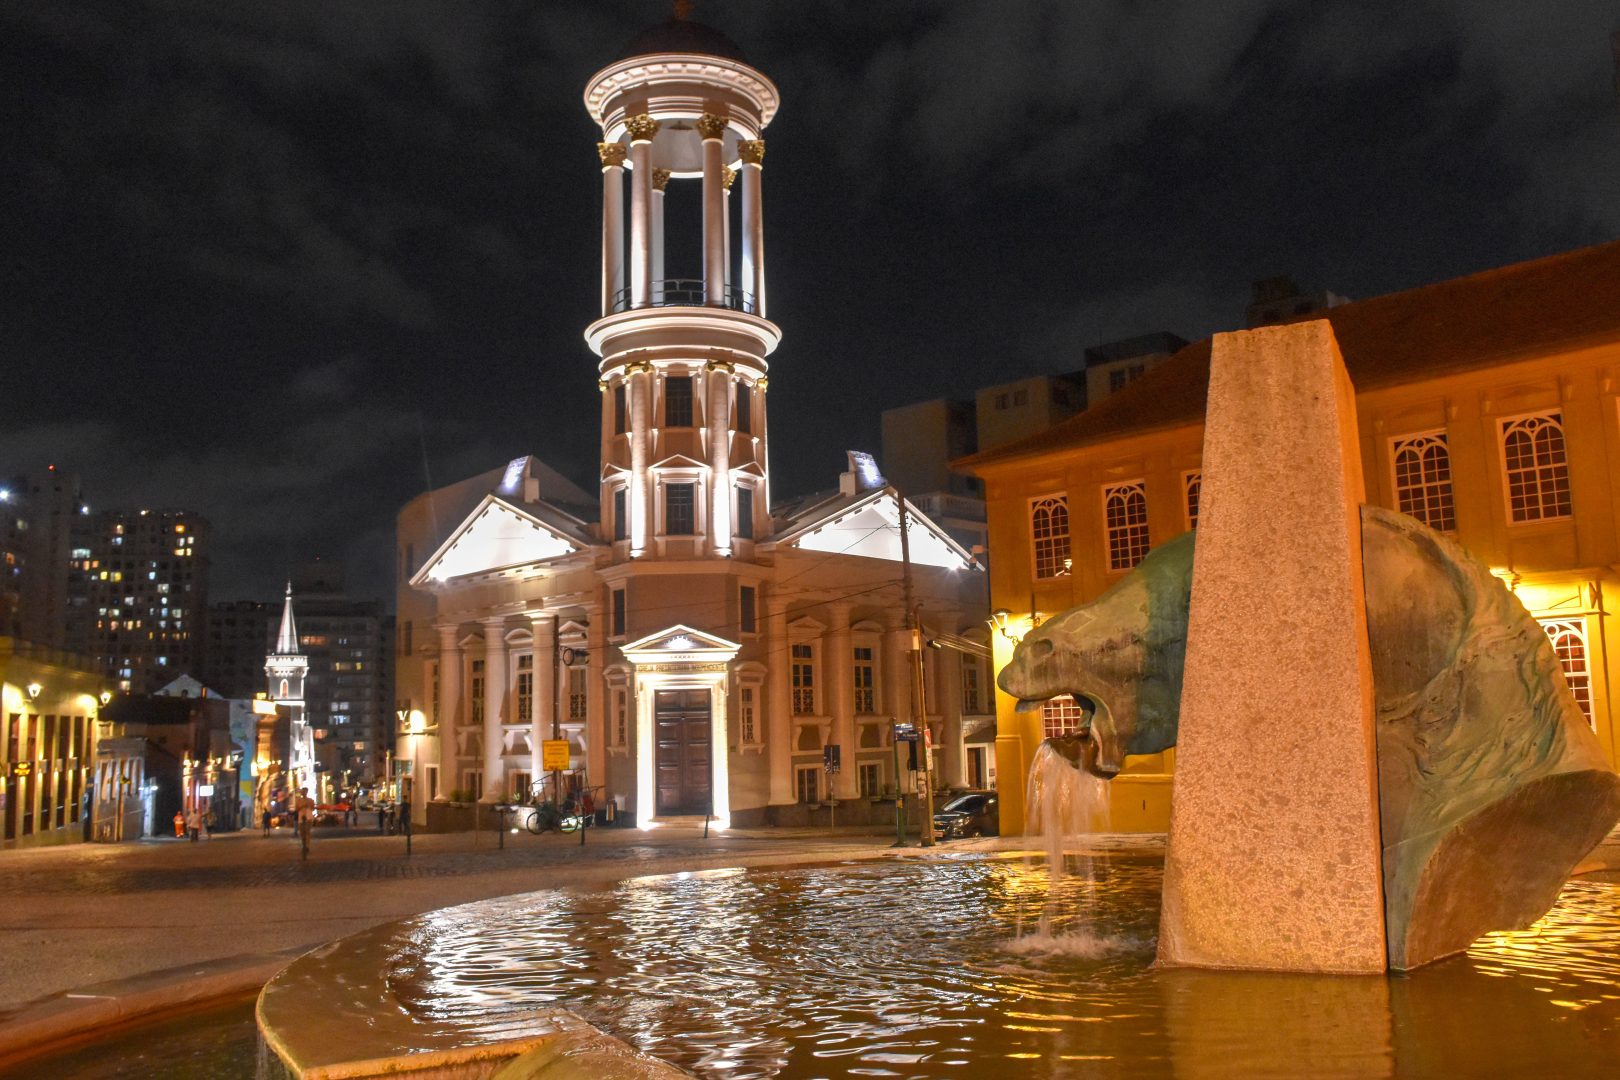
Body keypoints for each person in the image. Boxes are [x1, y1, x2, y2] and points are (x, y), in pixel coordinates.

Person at [294, 787, 316, 860]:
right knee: (302, 833)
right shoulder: (298, 800)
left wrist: (309, 806)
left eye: (304, 792)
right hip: (301, 817)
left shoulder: (310, 800)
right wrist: (302, 806)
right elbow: (296, 809)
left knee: (307, 832)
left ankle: (307, 845)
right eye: (302, 792)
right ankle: (304, 844)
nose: (303, 793)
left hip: (308, 817)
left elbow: (313, 808)